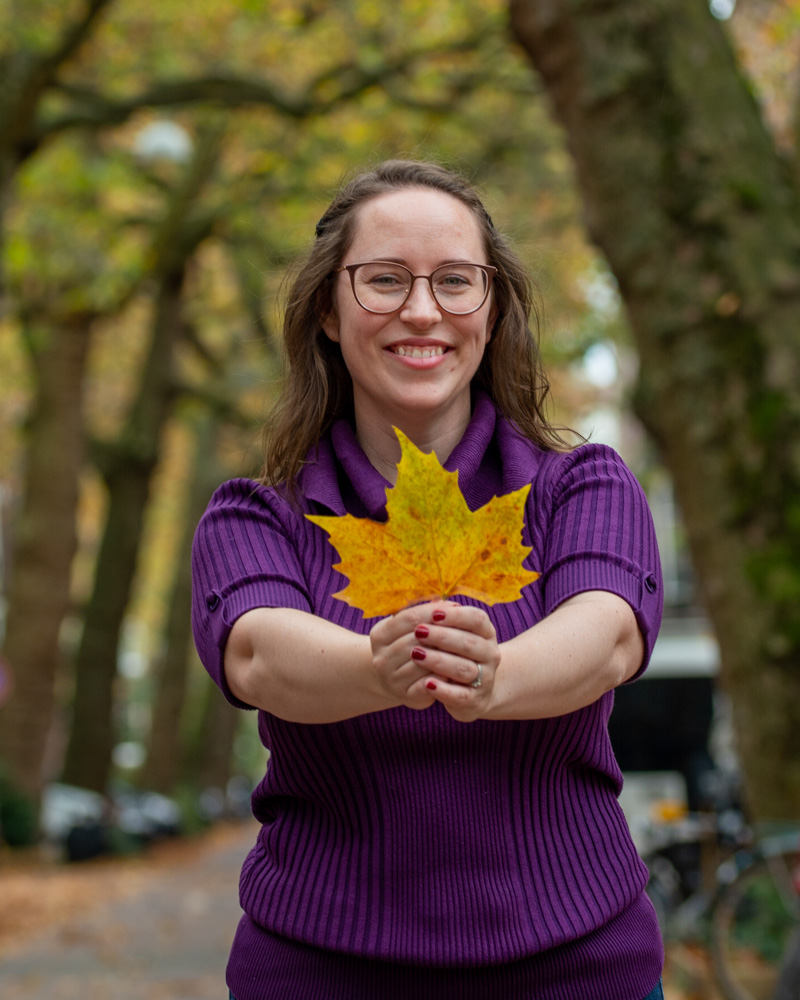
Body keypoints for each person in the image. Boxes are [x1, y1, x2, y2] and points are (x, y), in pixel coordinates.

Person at [191, 160, 665, 1000]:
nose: (422, 310)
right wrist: (380, 671)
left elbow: (610, 633)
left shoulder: (582, 485)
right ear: (329, 313)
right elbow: (258, 655)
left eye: (455, 281)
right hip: (320, 970)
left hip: (578, 968)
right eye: (383, 281)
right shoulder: (254, 518)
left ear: (491, 308)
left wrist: (496, 676)